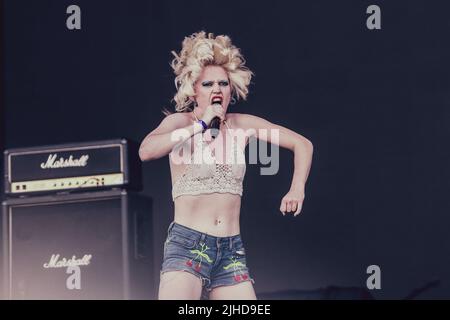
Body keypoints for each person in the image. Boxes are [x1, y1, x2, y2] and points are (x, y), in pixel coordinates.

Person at [139, 31, 313, 300]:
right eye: (208, 84)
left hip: (230, 250)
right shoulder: (181, 124)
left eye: (223, 83)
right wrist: (200, 125)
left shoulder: (242, 125)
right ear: (194, 91)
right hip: (187, 246)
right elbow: (146, 151)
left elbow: (302, 144)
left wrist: (297, 188)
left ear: (232, 89)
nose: (217, 89)